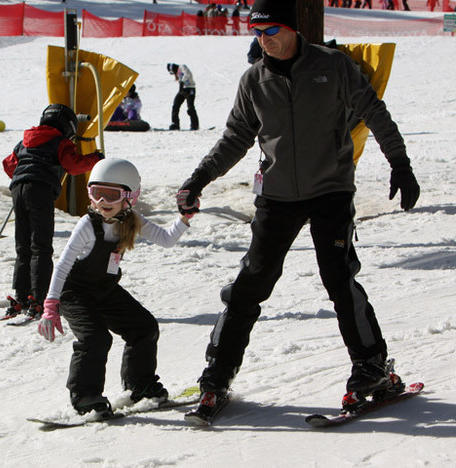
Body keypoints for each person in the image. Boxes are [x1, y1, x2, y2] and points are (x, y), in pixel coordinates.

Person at [176, 0, 420, 424]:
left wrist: (401, 164)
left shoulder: (333, 65)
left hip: (330, 191)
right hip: (278, 196)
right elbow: (236, 137)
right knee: (249, 285)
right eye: (257, 33)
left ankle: (371, 368)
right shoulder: (254, 80)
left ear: (290, 29)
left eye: (271, 31)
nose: (264, 40)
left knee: (339, 278)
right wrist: (198, 180)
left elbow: (373, 112)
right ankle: (216, 377)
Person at [36, 158, 192, 416]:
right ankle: (85, 396)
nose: (103, 202)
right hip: (74, 292)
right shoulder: (87, 225)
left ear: (130, 196)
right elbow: (62, 265)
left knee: (144, 328)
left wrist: (184, 218)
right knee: (96, 338)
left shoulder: (132, 220)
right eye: (98, 194)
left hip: (104, 289)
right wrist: (51, 305)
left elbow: (165, 239)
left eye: (112, 195)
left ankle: (140, 386)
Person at [2, 104, 103, 318]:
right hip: (40, 189)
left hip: (18, 189)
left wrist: (25, 174)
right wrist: (95, 159)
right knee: (41, 247)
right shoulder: (60, 142)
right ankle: (38, 299)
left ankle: (21, 296)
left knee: (23, 246)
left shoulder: (24, 140)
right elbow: (73, 165)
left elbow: (9, 165)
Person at [166, 63, 199, 131]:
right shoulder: (178, 72)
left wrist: (182, 81)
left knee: (190, 107)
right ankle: (175, 123)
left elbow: (188, 74)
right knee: (175, 105)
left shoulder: (182, 67)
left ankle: (195, 125)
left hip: (190, 89)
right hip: (183, 89)